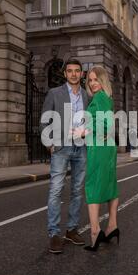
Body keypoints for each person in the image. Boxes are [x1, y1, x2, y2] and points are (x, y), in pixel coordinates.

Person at [40, 59, 89, 254]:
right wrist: (49, 143)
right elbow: (45, 118)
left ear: (81, 74)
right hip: (61, 147)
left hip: (81, 147)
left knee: (77, 190)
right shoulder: (54, 93)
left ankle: (72, 229)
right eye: (70, 71)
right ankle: (54, 233)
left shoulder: (86, 96)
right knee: (56, 190)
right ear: (65, 74)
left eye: (77, 71)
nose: (74, 74)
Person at [84, 65, 120, 251]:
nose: (92, 83)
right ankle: (112, 226)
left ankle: (95, 232)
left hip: (98, 147)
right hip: (108, 147)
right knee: (110, 185)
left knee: (92, 186)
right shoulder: (107, 98)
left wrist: (85, 130)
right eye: (90, 80)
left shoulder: (98, 98)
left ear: (102, 80)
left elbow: (105, 124)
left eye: (96, 79)